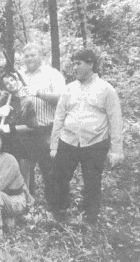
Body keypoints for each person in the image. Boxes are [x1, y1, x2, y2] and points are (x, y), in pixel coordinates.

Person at [50, 49, 124, 223]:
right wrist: (54, 146)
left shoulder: (106, 89)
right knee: (59, 179)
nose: (74, 67)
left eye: (78, 63)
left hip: (95, 143)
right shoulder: (69, 89)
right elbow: (59, 118)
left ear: (90, 64)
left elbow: (115, 120)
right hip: (68, 141)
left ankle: (90, 219)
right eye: (74, 63)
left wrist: (117, 150)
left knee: (92, 182)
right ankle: (60, 215)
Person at [16, 43, 66, 197]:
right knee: (24, 170)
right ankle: (27, 203)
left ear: (41, 56)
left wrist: (38, 93)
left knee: (50, 169)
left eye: (33, 55)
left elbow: (63, 100)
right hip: (25, 131)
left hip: (47, 130)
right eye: (26, 56)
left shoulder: (53, 74)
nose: (29, 58)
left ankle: (55, 206)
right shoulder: (19, 76)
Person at [0, 72, 38, 183]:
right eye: (7, 84)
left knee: (23, 177)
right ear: (4, 87)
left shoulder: (27, 101)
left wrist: (11, 128)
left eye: (12, 80)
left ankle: (28, 199)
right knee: (9, 178)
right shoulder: (3, 101)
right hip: (8, 145)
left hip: (24, 146)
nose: (11, 84)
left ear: (17, 80)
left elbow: (32, 126)